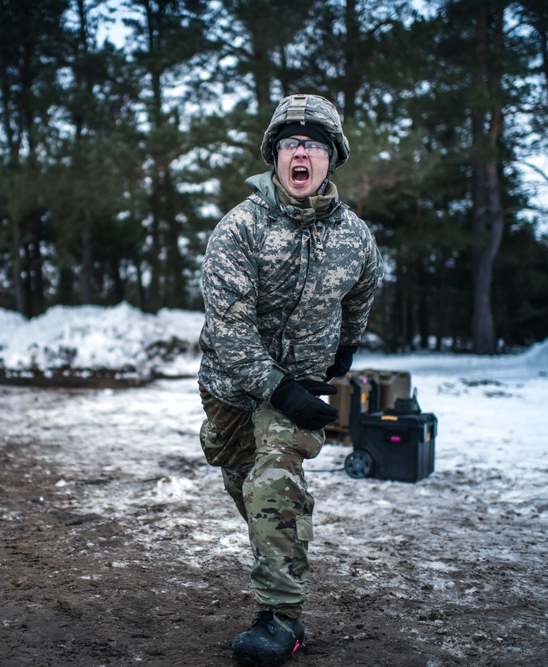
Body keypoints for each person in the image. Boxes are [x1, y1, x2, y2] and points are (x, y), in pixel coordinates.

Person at [197, 94, 383, 667]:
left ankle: (281, 617)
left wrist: (346, 347)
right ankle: (283, 535)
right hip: (234, 385)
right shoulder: (240, 229)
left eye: (315, 144)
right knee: (240, 479)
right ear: (275, 156)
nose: (302, 152)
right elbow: (228, 330)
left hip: (300, 383)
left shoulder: (355, 236)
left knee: (272, 484)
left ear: (333, 158)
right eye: (290, 143)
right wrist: (279, 390)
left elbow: (363, 290)